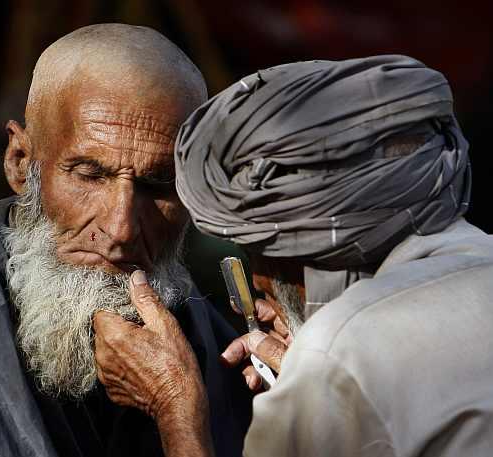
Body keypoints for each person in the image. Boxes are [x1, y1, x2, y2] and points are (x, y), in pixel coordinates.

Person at [93, 55, 493, 456]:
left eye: (254, 251)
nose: (257, 281)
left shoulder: (335, 354)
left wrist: (175, 405)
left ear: (300, 245)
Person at [0, 24, 251, 457]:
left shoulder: (211, 348)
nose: (122, 230)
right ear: (20, 163)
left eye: (159, 185)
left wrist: (178, 411)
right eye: (89, 175)